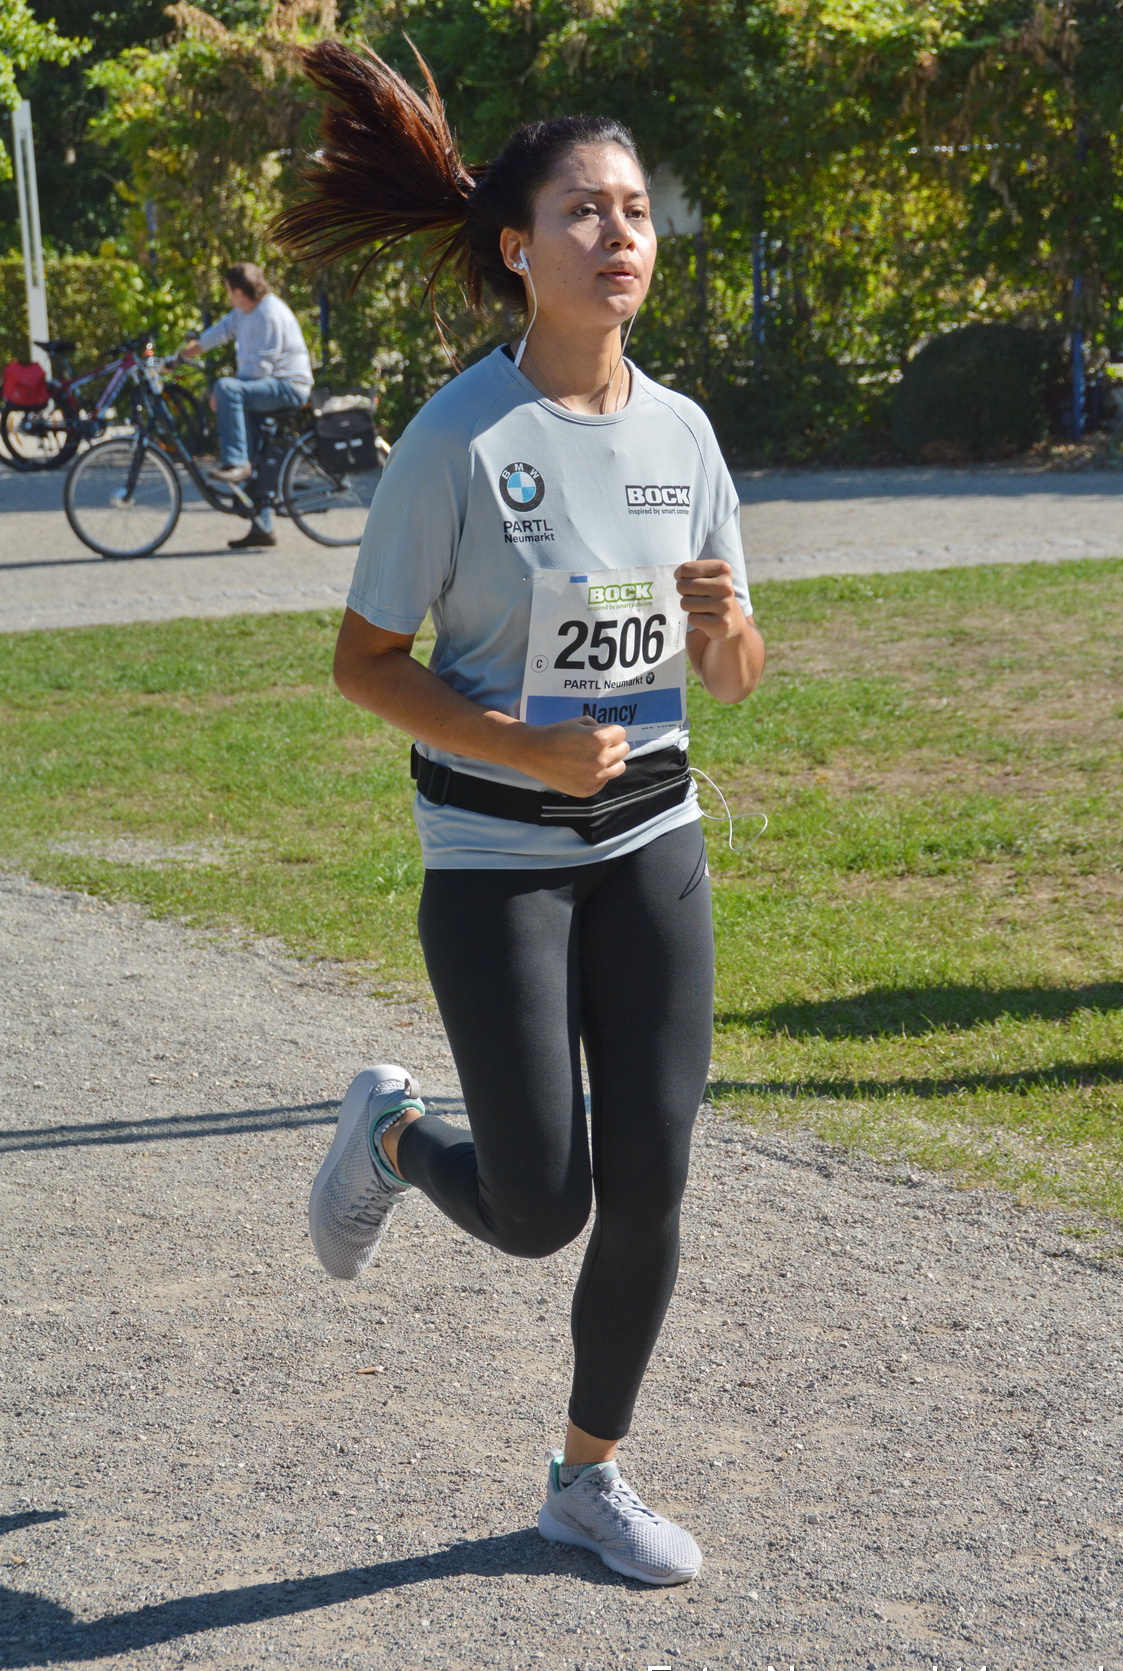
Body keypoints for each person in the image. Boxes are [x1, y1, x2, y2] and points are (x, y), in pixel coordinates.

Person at [277, 42, 765, 1587]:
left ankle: (583, 1480)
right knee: (544, 1202)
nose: (619, 236)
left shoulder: (681, 432)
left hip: (651, 844)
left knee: (656, 1176)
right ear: (517, 248)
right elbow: (363, 667)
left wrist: (717, 632)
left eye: (632, 211)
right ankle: (397, 1133)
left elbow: (737, 674)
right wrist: (515, 747)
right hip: (495, 862)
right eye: (583, 213)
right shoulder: (456, 442)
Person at [182, 263, 313, 550]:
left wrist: (225, 391)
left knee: (227, 388)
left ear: (239, 291)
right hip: (267, 385)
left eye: (229, 291)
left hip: (288, 387)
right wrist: (180, 357)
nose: (228, 296)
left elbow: (258, 370)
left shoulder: (269, 314)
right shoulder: (246, 311)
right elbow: (218, 332)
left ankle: (237, 463)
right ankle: (262, 525)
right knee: (258, 450)